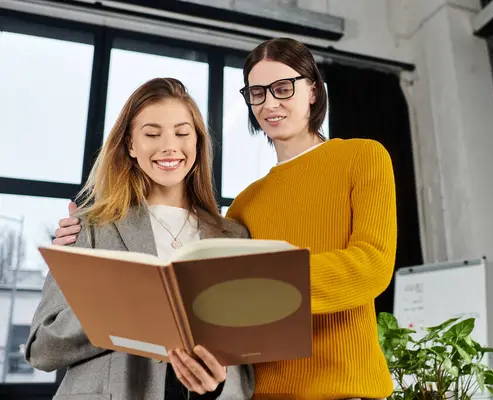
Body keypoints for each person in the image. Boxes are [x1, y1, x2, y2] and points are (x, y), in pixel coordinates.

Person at [53, 38, 397, 400]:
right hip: (259, 394)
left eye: (283, 88)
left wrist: (262, 282)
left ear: (313, 90)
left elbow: (371, 265)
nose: (270, 103)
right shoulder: (243, 207)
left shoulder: (362, 157)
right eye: (257, 92)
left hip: (346, 391)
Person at [27, 78, 254, 400]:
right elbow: (43, 347)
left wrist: (216, 385)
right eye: (151, 134)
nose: (169, 146)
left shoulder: (234, 238)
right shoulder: (90, 227)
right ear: (131, 145)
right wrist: (129, 305)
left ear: (198, 143)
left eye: (182, 132)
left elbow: (246, 365)